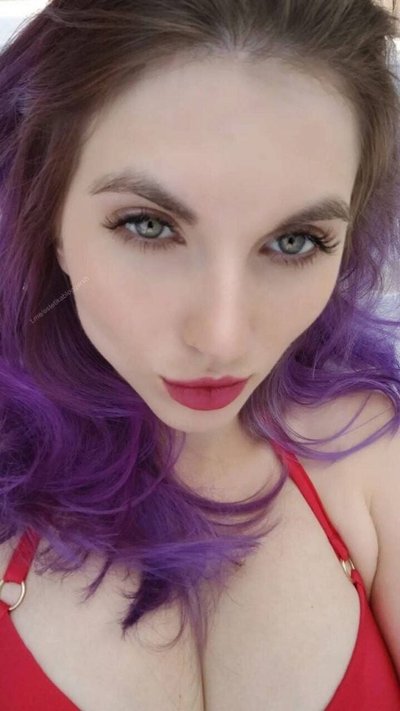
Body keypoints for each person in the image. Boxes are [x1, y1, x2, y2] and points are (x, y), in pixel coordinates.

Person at [0, 1, 400, 709]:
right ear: (46, 214)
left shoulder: (368, 451)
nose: (223, 338)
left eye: (295, 241)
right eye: (148, 225)